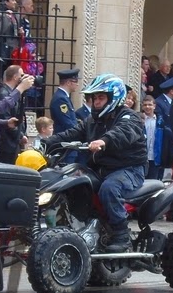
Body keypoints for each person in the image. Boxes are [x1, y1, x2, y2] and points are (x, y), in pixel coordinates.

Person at [44, 74, 147, 253]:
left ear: (113, 98)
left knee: (109, 188)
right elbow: (71, 134)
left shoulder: (129, 117)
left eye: (101, 97)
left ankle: (122, 236)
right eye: (94, 98)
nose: (96, 101)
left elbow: (123, 133)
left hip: (129, 169)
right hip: (101, 169)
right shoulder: (92, 120)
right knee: (73, 179)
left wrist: (103, 141)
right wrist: (46, 142)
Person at [0, 64, 27, 164]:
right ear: (15, 77)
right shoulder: (4, 94)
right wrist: (20, 136)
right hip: (7, 144)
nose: (23, 78)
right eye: (21, 75)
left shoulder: (11, 93)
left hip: (12, 143)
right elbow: (6, 118)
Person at [50, 67, 81, 133]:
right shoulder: (61, 99)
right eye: (75, 81)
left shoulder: (63, 96)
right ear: (68, 83)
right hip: (63, 138)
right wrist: (78, 132)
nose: (77, 84)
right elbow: (67, 122)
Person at [140, 95, 162, 178]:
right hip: (142, 158)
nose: (147, 107)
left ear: (154, 106)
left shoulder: (160, 121)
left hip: (154, 157)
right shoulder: (138, 120)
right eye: (145, 105)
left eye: (150, 105)